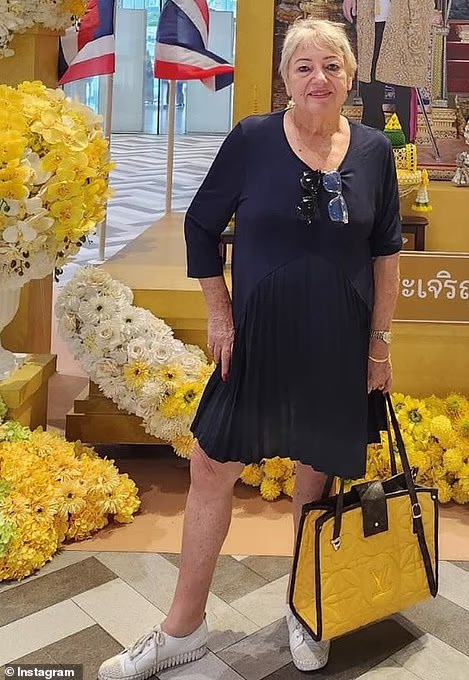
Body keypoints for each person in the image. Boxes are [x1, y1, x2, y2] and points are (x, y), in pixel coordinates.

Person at [98, 17, 401, 680]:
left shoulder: (375, 150)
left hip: (339, 339)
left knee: (316, 474)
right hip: (256, 335)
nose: (319, 78)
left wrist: (379, 346)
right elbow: (200, 227)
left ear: (350, 76)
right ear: (285, 78)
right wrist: (220, 315)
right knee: (212, 465)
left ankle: (305, 606)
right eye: (304, 66)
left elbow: (386, 254)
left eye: (332, 66)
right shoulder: (253, 139)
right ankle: (182, 628)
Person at [343, 0, 435, 141]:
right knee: (370, 82)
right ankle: (372, 141)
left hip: (405, 15)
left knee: (403, 82)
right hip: (370, 14)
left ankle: (404, 143)